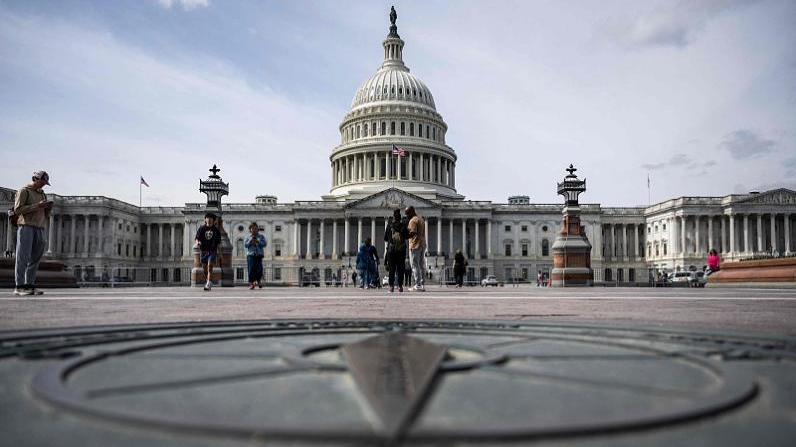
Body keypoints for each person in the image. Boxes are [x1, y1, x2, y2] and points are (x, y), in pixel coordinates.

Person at [13, 171, 53, 296]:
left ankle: (29, 285)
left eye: (45, 183)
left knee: (35, 259)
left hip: (40, 227)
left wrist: (47, 208)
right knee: (22, 257)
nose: (43, 185)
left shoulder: (42, 194)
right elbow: (18, 210)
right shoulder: (24, 191)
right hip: (26, 226)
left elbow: (44, 213)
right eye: (42, 182)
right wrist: (37, 206)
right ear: (34, 179)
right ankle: (19, 286)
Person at [194, 212, 221, 291]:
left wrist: (220, 253)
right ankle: (208, 281)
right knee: (205, 269)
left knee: (210, 267)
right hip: (203, 251)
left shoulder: (216, 230)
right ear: (205, 220)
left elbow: (219, 243)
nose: (209, 220)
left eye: (211, 218)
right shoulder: (201, 228)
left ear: (214, 220)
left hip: (212, 251)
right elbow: (197, 238)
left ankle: (208, 283)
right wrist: (197, 242)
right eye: (207, 218)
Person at [384, 209, 409, 292]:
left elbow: (385, 238)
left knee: (392, 269)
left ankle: (391, 286)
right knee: (400, 269)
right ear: (400, 217)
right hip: (401, 250)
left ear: (393, 217)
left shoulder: (389, 226)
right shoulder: (403, 225)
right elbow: (407, 236)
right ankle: (400, 286)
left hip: (391, 250)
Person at [405, 206, 426, 291]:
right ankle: (422, 284)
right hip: (422, 244)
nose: (406, 216)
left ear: (411, 212)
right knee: (421, 265)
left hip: (415, 244)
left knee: (414, 265)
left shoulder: (412, 220)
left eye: (407, 214)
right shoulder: (421, 219)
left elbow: (412, 233)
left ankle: (417, 285)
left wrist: (404, 234)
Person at [244, 222, 267, 290]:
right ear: (250, 230)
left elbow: (264, 244)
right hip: (250, 255)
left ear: (258, 229)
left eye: (255, 228)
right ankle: (252, 283)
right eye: (252, 228)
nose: (254, 230)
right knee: (251, 269)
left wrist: (258, 241)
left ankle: (259, 281)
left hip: (259, 254)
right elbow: (245, 245)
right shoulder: (247, 237)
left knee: (259, 269)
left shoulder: (261, 236)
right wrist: (250, 241)